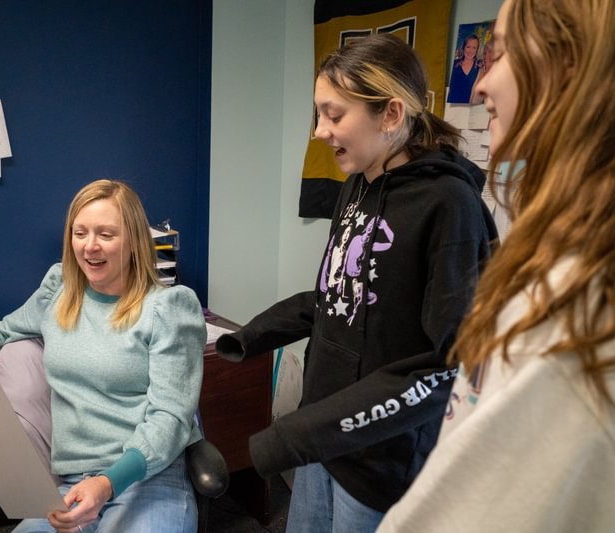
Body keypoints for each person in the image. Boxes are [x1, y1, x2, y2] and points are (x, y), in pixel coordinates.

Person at [215, 34, 497, 532]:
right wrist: (250, 337)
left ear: (390, 114)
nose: (320, 131)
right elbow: (337, 297)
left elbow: (443, 364)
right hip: (323, 439)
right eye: (318, 115)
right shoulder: (358, 184)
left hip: (378, 461)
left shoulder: (448, 206)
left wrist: (293, 435)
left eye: (334, 114)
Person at [379, 0, 615, 530]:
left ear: (567, 67)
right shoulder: (552, 251)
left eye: (501, 53)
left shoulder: (573, 303)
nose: (480, 85)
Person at [0, 179, 206, 533]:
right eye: (80, 233)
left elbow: (170, 419)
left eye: (106, 234)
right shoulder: (61, 289)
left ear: (134, 242)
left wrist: (108, 483)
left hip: (148, 480)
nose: (90, 246)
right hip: (70, 485)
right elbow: (1, 331)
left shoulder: (168, 307)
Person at [448, 34, 481, 103]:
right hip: (451, 107)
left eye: (474, 48)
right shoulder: (454, 64)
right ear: (463, 47)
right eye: (468, 47)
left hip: (467, 110)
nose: (470, 51)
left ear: (477, 50)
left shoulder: (479, 69)